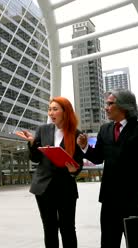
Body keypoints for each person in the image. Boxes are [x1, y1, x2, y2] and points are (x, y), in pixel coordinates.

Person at [77, 89, 138, 248]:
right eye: (106, 103)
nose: (106, 107)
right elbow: (98, 157)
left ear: (124, 106)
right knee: (108, 242)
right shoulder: (105, 129)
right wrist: (85, 147)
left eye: (110, 103)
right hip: (109, 200)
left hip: (135, 200)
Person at [15, 96, 84, 248]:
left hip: (66, 187)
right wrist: (33, 143)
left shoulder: (76, 134)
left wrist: (74, 170)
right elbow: (35, 159)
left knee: (68, 229)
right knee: (49, 228)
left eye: (55, 109)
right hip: (44, 187)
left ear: (65, 112)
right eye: (49, 109)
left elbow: (79, 163)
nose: (51, 113)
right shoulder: (42, 130)